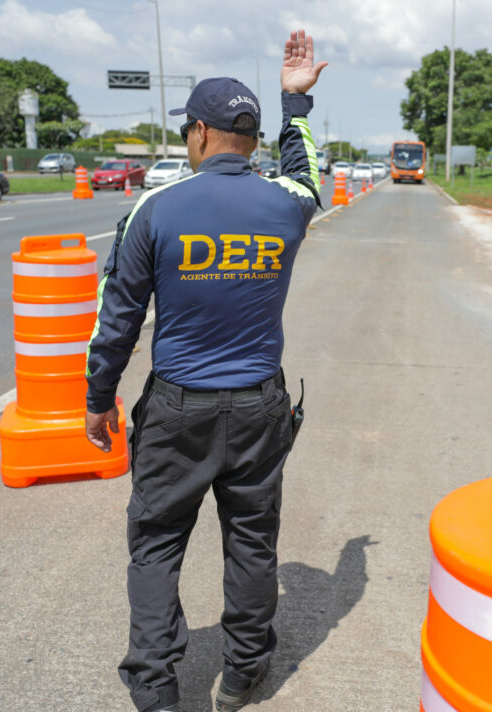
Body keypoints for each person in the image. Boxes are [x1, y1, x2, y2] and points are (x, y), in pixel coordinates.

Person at [84, 29, 327, 712]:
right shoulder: (287, 204)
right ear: (249, 138)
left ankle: (157, 690)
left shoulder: (155, 209)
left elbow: (117, 319)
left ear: (198, 133)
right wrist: (296, 102)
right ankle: (244, 672)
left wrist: (98, 397)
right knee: (252, 540)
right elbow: (309, 172)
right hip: (258, 407)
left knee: (156, 545)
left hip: (177, 410)